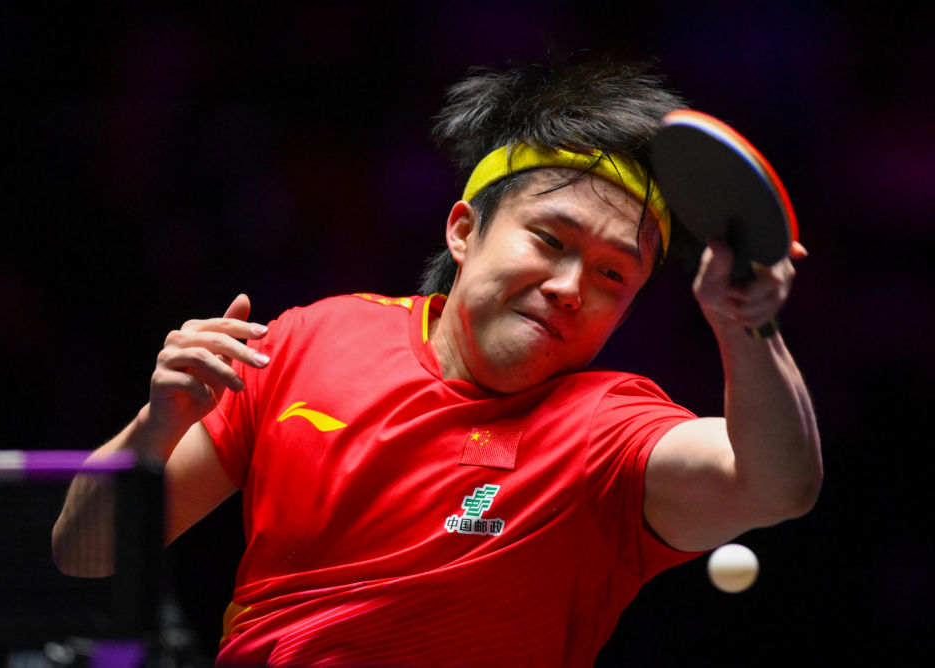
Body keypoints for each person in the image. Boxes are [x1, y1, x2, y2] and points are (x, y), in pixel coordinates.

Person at [53, 55, 822, 666]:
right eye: (550, 240)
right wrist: (157, 426)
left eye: (612, 275)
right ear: (463, 231)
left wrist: (746, 327)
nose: (569, 286)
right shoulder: (306, 341)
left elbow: (777, 485)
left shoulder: (605, 433)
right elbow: (83, 553)